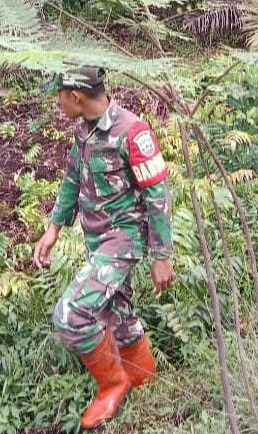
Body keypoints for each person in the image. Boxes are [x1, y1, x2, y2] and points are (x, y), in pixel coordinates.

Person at [33, 66, 175, 430]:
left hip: (123, 239)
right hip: (96, 239)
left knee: (72, 314)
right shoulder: (82, 131)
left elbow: (157, 196)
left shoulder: (132, 132)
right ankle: (145, 381)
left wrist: (162, 257)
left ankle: (113, 383)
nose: (58, 102)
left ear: (76, 96)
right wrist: (53, 230)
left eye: (59, 95)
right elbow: (71, 180)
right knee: (118, 312)